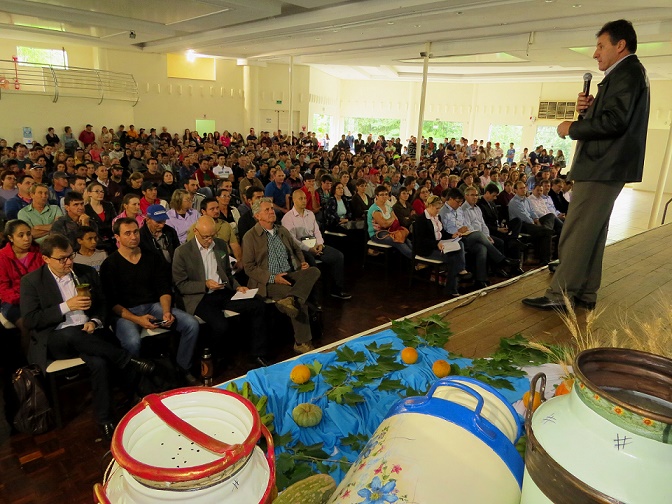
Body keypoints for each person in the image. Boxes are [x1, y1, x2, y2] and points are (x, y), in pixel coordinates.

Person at [524, 20, 650, 311]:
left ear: (620, 46)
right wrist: (593, 108)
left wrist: (572, 127)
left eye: (601, 46)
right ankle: (585, 293)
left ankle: (560, 295)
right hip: (607, 165)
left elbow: (614, 123)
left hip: (602, 166)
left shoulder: (627, 73)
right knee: (593, 232)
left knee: (577, 231)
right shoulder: (628, 74)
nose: (595, 53)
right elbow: (616, 118)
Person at [21, 233, 154, 440]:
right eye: (62, 259)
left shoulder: (85, 272)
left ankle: (105, 419)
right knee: (72, 333)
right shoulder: (32, 281)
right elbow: (30, 320)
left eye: (70, 256)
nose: (69, 262)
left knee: (99, 362)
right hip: (56, 338)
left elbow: (101, 303)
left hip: (89, 334)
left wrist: (95, 321)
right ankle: (127, 360)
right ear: (46, 259)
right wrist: (66, 306)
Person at [100, 218, 200, 385]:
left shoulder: (152, 257)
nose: (133, 236)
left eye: (136, 232)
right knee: (132, 341)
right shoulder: (110, 264)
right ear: (117, 237)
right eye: (128, 233)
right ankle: (134, 384)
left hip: (153, 306)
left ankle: (183, 369)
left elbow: (164, 289)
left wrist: (167, 311)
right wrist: (138, 319)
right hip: (125, 312)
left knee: (191, 324)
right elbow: (112, 303)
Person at [173, 216, 269, 368]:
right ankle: (213, 356)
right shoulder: (182, 252)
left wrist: (237, 286)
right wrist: (204, 284)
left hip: (222, 290)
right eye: (205, 237)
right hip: (200, 297)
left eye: (212, 236)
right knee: (220, 325)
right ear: (195, 231)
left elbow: (227, 273)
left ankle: (257, 354)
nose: (209, 240)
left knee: (258, 305)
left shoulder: (220, 245)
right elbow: (181, 285)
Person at [242, 198, 321, 354]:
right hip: (268, 282)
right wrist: (273, 278)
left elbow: (297, 250)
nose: (272, 211)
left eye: (272, 208)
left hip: (290, 273)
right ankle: (302, 342)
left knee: (314, 271)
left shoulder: (282, 230)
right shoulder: (250, 237)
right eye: (267, 210)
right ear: (257, 216)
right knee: (300, 303)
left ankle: (291, 298)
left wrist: (302, 263)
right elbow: (249, 268)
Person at [440, 188, 519, 289]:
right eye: (458, 201)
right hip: (454, 239)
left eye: (461, 202)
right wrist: (458, 230)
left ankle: (481, 280)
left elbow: (472, 224)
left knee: (482, 248)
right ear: (450, 199)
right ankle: (501, 259)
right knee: (478, 234)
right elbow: (444, 231)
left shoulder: (459, 209)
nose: (459, 204)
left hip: (464, 235)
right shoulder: (443, 212)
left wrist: (464, 229)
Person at [282, 190, 351, 300]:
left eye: (305, 198)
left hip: (315, 244)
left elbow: (317, 232)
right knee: (312, 263)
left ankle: (336, 290)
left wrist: (320, 244)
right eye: (301, 198)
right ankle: (314, 297)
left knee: (338, 256)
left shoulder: (310, 214)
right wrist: (309, 249)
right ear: (294, 200)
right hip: (301, 249)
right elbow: (292, 240)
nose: (304, 201)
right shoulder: (288, 218)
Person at [0, 220, 44, 351]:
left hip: (38, 299)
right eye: (21, 235)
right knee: (27, 325)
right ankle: (29, 364)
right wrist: (25, 300)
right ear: (10, 238)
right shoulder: (2, 257)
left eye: (29, 234)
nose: (26, 238)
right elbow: (3, 289)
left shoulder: (39, 253)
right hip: (12, 302)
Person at [413, 196, 466, 297]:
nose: (438, 211)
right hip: (426, 249)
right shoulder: (421, 220)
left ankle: (457, 278)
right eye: (437, 208)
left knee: (460, 245)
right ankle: (452, 287)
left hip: (438, 245)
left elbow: (441, 233)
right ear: (430, 206)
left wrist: (452, 235)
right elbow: (421, 240)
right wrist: (436, 244)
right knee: (453, 258)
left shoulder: (437, 217)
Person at [367, 185, 412, 259]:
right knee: (398, 241)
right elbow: (383, 224)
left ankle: (416, 256)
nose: (384, 196)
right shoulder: (374, 209)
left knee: (406, 238)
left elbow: (396, 220)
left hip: (390, 231)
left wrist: (389, 220)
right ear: (377, 196)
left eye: (386, 194)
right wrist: (391, 219)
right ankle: (415, 260)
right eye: (381, 195)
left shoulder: (388, 207)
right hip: (376, 234)